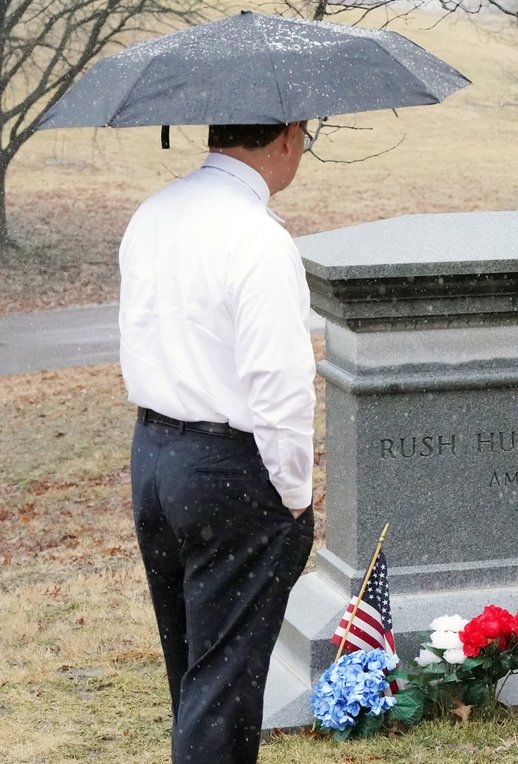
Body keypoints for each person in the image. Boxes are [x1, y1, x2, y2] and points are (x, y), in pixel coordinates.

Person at [120, 120, 317, 763]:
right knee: (224, 684)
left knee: (193, 669)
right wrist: (293, 494)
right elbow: (280, 386)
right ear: (288, 136)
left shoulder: (153, 213)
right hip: (227, 471)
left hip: (154, 455)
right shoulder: (258, 239)